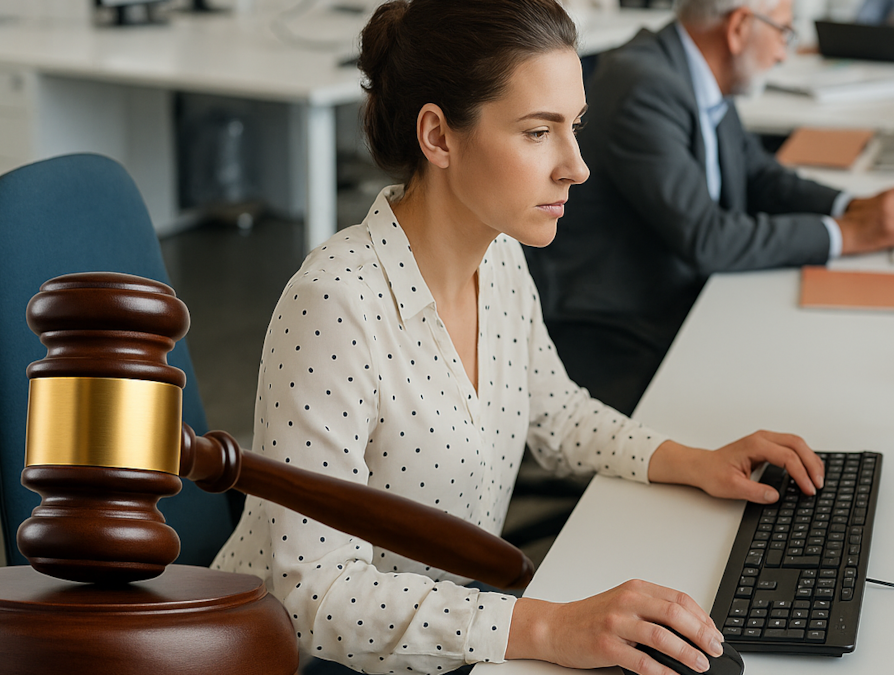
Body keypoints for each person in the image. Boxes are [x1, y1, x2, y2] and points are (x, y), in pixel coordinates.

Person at [212, 1, 827, 674]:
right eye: (539, 132)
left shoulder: (498, 253)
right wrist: (550, 624)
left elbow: (553, 409)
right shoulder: (336, 305)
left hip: (451, 628)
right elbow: (317, 596)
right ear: (439, 137)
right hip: (308, 657)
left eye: (574, 128)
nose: (576, 166)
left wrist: (692, 460)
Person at [524, 0, 894, 416]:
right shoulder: (644, 85)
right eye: (783, 32)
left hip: (689, 303)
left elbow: (758, 174)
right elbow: (708, 238)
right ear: (738, 28)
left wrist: (853, 205)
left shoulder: (695, 69)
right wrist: (850, 233)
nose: (783, 53)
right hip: (623, 332)